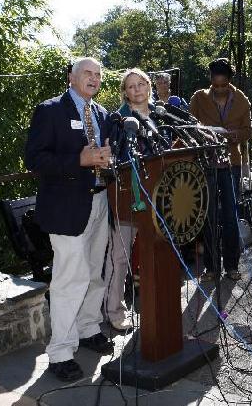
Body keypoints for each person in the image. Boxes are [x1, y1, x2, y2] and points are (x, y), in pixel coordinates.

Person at [24, 57, 114, 382]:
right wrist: (77, 159)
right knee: (69, 279)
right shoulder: (50, 110)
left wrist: (108, 158)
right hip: (65, 209)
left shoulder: (101, 114)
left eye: (98, 75)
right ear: (72, 78)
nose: (93, 79)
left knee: (94, 272)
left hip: (99, 202)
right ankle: (61, 351)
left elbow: (103, 154)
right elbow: (35, 159)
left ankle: (89, 328)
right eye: (87, 73)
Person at [103, 68, 156, 331]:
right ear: (125, 92)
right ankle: (114, 311)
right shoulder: (117, 120)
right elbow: (112, 158)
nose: (137, 90)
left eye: (141, 84)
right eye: (131, 86)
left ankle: (159, 307)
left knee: (157, 254)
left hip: (159, 198)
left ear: (149, 86)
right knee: (120, 256)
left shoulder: (161, 115)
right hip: (127, 198)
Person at [189, 58, 252, 281]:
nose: (219, 89)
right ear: (210, 82)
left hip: (231, 163)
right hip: (206, 162)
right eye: (215, 86)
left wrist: (234, 135)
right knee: (208, 215)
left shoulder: (242, 100)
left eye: (223, 85)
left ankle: (232, 266)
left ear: (230, 82)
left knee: (230, 216)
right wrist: (205, 134)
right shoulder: (198, 98)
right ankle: (211, 267)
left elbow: (247, 131)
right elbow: (189, 126)